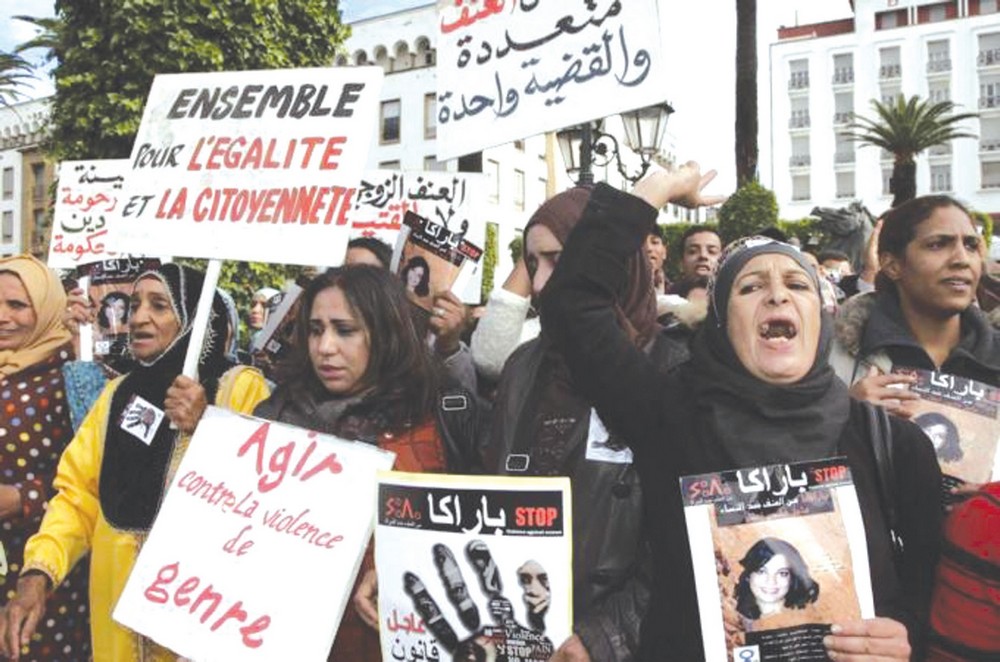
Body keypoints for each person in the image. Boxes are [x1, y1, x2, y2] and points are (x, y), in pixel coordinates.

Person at [540, 163, 943, 660]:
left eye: (797, 285)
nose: (777, 293)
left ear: (822, 316)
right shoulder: (667, 415)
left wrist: (903, 636)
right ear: (721, 326)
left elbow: (930, 604)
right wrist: (652, 192)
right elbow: (572, 305)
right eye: (750, 288)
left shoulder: (893, 447)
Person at [0, 263, 270, 662]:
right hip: (116, 622)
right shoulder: (116, 395)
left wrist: (205, 424)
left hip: (202, 619)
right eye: (135, 304)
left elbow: (265, 497)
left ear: (196, 318)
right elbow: (78, 498)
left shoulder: (239, 386)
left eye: (159, 305)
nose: (139, 317)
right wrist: (39, 573)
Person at [252, 266, 485, 662]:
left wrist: (403, 567)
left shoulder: (443, 416)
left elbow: (483, 540)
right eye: (315, 329)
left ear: (386, 332)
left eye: (345, 330)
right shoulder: (274, 418)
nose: (325, 346)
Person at [486, 187, 678, 662]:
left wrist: (605, 636)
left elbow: (684, 547)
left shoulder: (676, 371)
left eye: (557, 260)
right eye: (532, 264)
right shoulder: (523, 368)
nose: (540, 282)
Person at [830, 195, 1000, 433]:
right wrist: (847, 415)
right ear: (892, 265)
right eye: (938, 244)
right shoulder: (833, 359)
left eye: (971, 245)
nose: (962, 259)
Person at [0, 255, 91, 661]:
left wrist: (22, 499)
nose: (2, 317)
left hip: (44, 573)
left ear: (47, 308)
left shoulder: (74, 380)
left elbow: (91, 481)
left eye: (17, 306)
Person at [734, 538, 820, 621]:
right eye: (762, 571)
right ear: (749, 574)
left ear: (792, 578)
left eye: (782, 573)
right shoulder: (732, 615)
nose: (771, 581)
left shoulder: (811, 616)